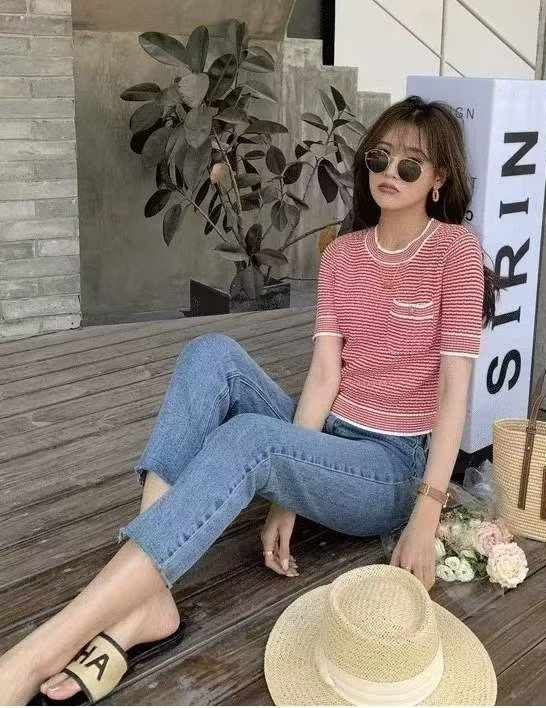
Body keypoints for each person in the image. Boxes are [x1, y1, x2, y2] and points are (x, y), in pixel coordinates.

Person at [0, 95, 499, 705]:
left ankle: (40, 650)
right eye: (380, 157)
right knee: (210, 353)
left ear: (439, 177)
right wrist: (290, 491)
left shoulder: (455, 252)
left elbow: (453, 394)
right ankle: (149, 598)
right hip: (325, 438)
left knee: (250, 440)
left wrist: (425, 513)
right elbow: (324, 377)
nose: (389, 172)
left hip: (389, 469)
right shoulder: (343, 254)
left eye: (410, 164)